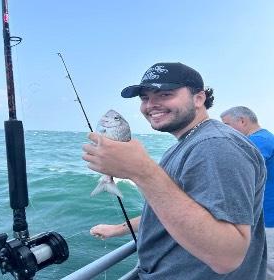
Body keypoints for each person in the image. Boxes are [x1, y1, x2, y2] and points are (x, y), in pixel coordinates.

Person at [83, 62, 267, 279]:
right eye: (145, 98)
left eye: (165, 94)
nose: (151, 104)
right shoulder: (187, 144)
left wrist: (142, 171)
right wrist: (119, 229)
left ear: (199, 99)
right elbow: (177, 208)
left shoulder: (215, 145)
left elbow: (227, 256)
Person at [221, 106, 274, 280]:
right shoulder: (267, 138)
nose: (225, 130)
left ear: (242, 121)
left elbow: (231, 168)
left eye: (227, 125)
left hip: (268, 223)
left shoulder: (258, 141)